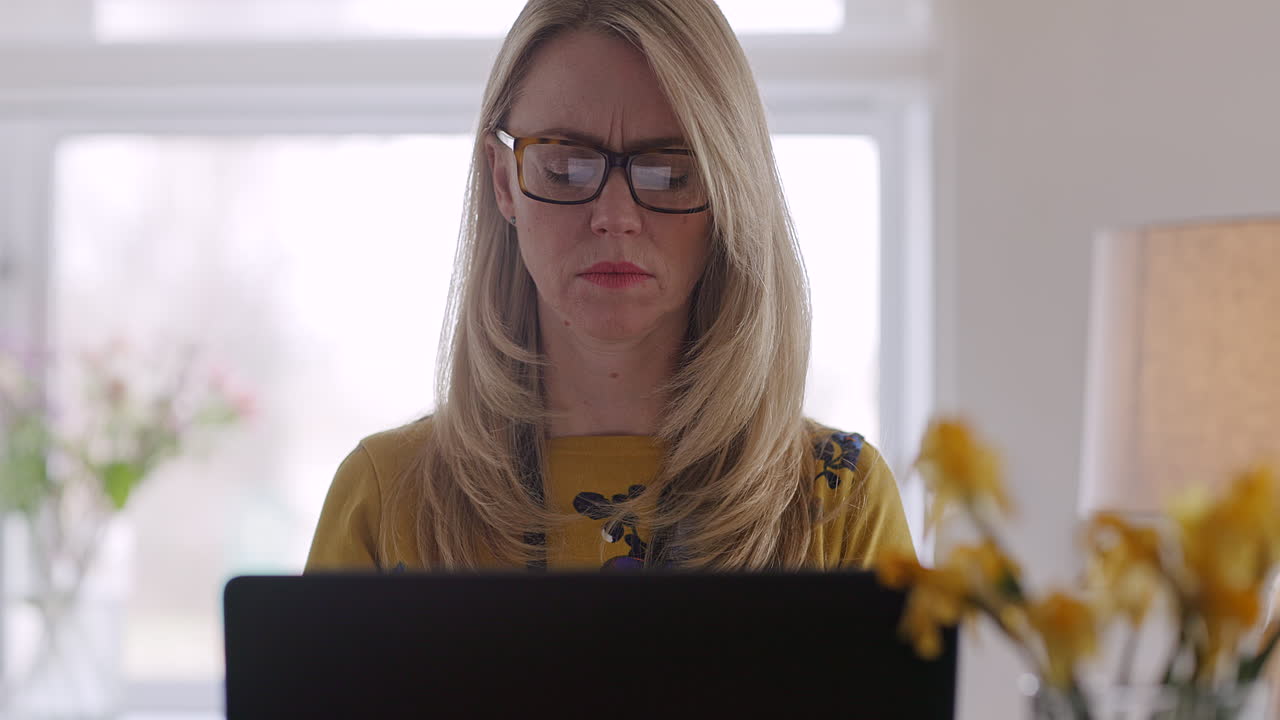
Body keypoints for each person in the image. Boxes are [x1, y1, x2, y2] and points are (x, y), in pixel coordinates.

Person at [306, 0, 914, 572]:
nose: (615, 216)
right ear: (503, 180)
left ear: (729, 191)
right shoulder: (383, 500)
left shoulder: (839, 502)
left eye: (670, 173)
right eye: (565, 167)